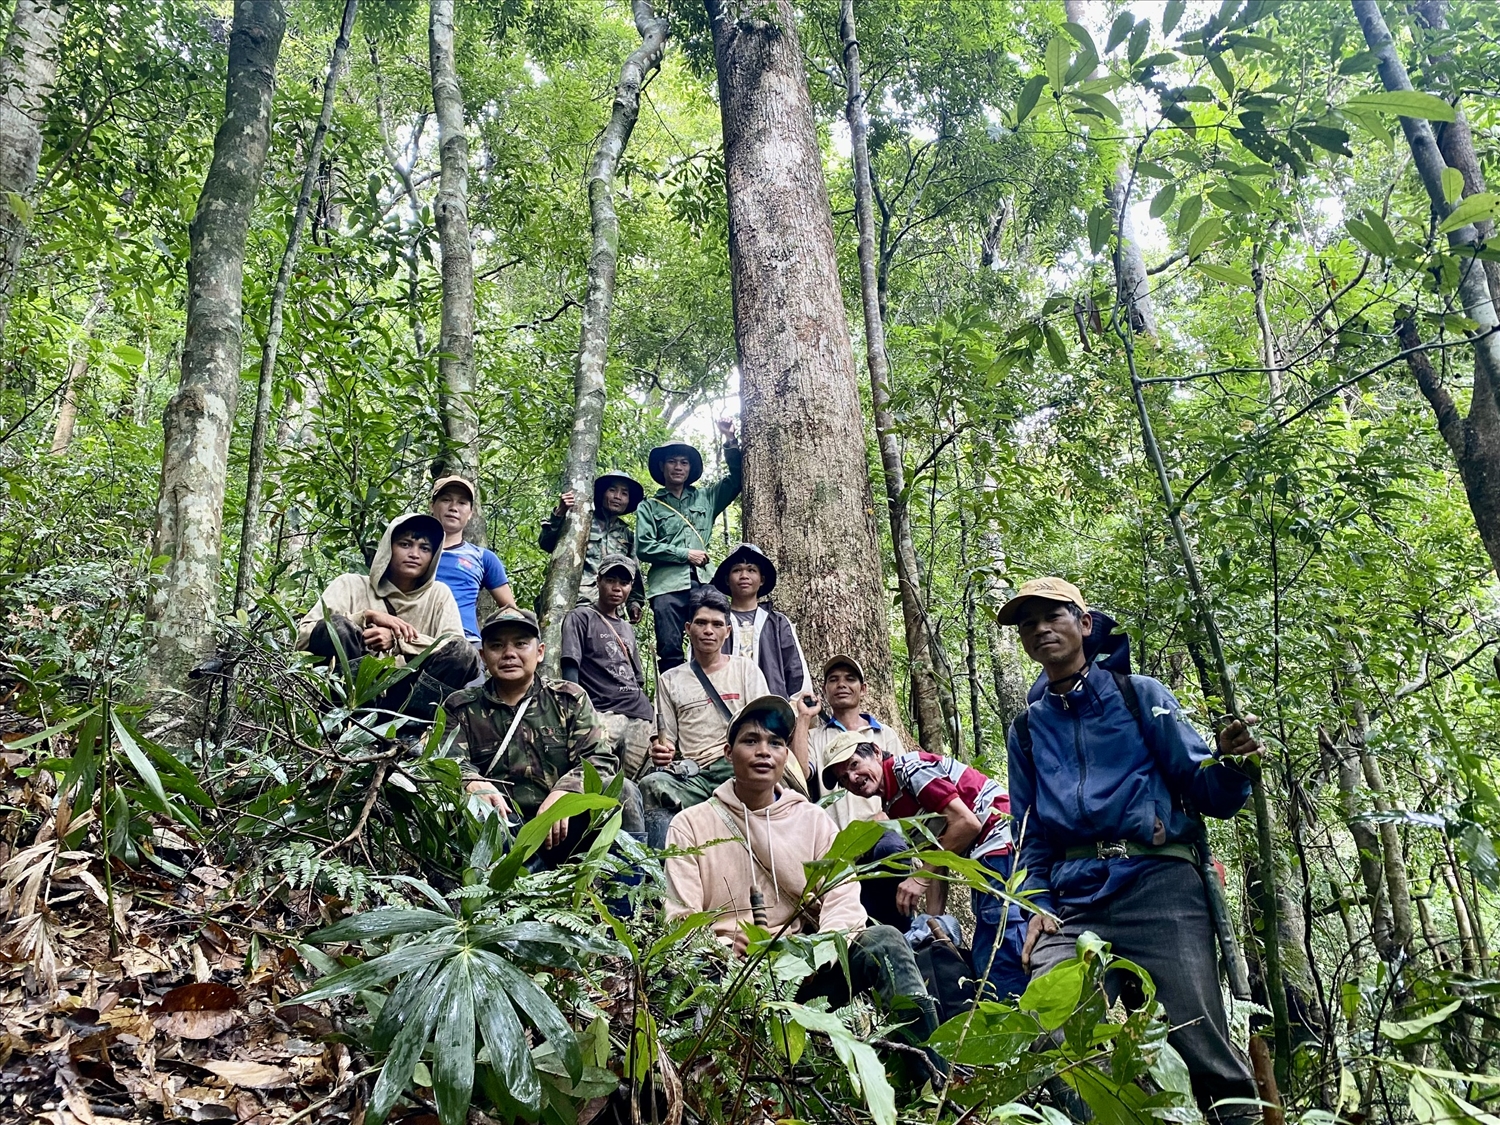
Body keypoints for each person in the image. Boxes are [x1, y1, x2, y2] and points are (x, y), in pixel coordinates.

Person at [999, 577, 1260, 1121]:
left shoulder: (1139, 695)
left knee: (1200, 1042)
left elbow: (1205, 789)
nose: (1042, 629)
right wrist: (1034, 902)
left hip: (1159, 884)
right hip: (1073, 903)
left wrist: (1233, 763)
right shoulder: (1026, 728)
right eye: (1029, 623)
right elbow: (1027, 828)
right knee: (1052, 1033)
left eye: (1054, 616)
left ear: (1084, 624)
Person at [664, 694, 942, 1065]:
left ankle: (931, 1075)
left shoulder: (812, 820)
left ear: (785, 757)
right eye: (751, 741)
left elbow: (843, 899)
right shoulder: (691, 824)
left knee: (885, 941)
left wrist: (816, 955)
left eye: (776, 743)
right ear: (728, 753)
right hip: (727, 975)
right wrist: (724, 948)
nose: (765, 751)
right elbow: (680, 919)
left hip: (807, 971)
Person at [821, 731, 1028, 1000]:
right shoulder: (893, 802)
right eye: (842, 778)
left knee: (998, 944)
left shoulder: (909, 769)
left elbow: (967, 824)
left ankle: (1018, 1018)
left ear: (875, 751)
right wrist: (933, 923)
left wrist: (919, 878)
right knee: (989, 942)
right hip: (987, 854)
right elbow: (938, 857)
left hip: (1001, 840)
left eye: (853, 765)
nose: (852, 779)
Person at [443, 607, 638, 864]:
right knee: (472, 806)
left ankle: (627, 894)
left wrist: (566, 793)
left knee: (623, 789)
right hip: (505, 828)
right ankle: (517, 890)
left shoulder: (569, 699)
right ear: (483, 655)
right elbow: (446, 760)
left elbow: (599, 759)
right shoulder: (461, 707)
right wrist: (471, 781)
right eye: (497, 645)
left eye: (521, 644)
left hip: (568, 825)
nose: (509, 653)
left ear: (540, 652)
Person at [639, 587, 816, 847]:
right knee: (652, 784)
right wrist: (661, 751)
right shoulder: (670, 680)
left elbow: (764, 727)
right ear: (688, 629)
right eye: (701, 623)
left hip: (737, 766)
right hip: (695, 775)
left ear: (727, 631)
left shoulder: (745, 669)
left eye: (716, 624)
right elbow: (668, 743)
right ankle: (660, 876)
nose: (708, 630)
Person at [296, 513, 479, 722]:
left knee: (464, 651)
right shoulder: (349, 584)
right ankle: (350, 724)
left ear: (433, 556)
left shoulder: (439, 594)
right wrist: (364, 617)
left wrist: (400, 641)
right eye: (405, 544)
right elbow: (303, 636)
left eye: (425, 548)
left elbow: (454, 649)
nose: (414, 554)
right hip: (352, 695)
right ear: (388, 548)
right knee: (336, 626)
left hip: (406, 699)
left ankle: (410, 731)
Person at [635, 420, 741, 673]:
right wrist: (685, 554)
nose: (678, 467)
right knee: (670, 648)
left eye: (684, 462)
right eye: (672, 461)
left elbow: (737, 479)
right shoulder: (649, 507)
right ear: (662, 467)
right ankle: (675, 704)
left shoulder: (706, 497)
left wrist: (729, 440)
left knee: (713, 640)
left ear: (690, 468)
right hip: (667, 587)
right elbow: (644, 547)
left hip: (705, 583)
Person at [560, 554, 654, 779]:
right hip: (602, 713)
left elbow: (637, 678)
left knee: (635, 781)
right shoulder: (580, 617)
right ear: (598, 580)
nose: (617, 588)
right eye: (611, 580)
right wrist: (578, 715)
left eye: (624, 583)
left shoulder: (627, 628)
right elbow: (570, 668)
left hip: (640, 714)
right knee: (595, 777)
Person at [537, 472, 646, 621]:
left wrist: (634, 604)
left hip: (611, 610)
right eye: (612, 490)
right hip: (577, 603)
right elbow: (546, 543)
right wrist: (559, 514)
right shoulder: (580, 521)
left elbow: (634, 573)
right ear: (602, 493)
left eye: (624, 493)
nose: (617, 497)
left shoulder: (627, 535)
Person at [711, 542, 811, 699]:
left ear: (762, 579)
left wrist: (795, 709)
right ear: (727, 579)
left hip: (771, 711)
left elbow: (796, 671)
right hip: (723, 707)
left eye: (751, 570)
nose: (744, 576)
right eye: (737, 570)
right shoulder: (713, 622)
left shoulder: (777, 623)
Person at [429, 476, 517, 646]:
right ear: (432, 506)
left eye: (462, 503)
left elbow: (511, 611)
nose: (453, 507)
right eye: (446, 500)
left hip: (466, 641)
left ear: (470, 513)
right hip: (414, 636)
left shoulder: (483, 558)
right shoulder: (411, 551)